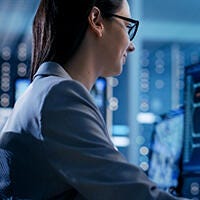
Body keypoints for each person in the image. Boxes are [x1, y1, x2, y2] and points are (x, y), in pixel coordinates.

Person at [0, 0, 190, 199]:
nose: (131, 45)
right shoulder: (60, 97)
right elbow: (133, 195)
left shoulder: (42, 93)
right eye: (127, 27)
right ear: (96, 21)